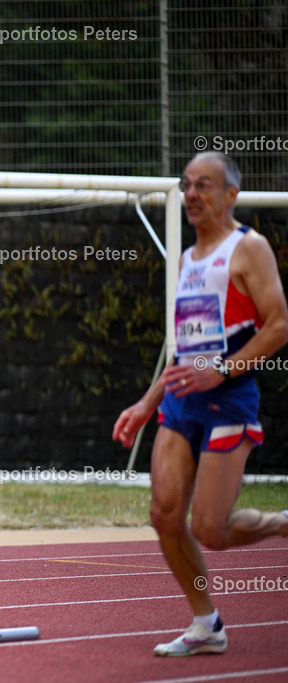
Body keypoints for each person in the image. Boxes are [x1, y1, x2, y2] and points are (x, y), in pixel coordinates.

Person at [112, 152, 288, 656]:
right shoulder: (188, 259)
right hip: (181, 403)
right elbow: (184, 348)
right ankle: (205, 622)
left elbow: (278, 326)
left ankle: (281, 521)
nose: (191, 195)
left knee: (210, 528)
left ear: (231, 194)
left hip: (230, 400)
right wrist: (148, 402)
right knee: (165, 516)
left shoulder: (248, 248)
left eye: (203, 186)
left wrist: (224, 369)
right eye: (187, 185)